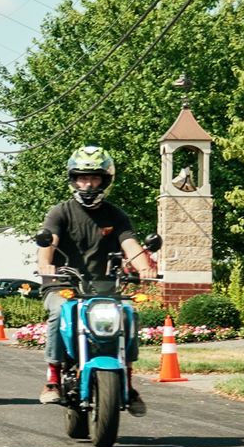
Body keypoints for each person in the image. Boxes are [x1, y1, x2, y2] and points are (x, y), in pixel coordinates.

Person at [35, 145, 157, 410]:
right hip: (63, 284)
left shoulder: (115, 214)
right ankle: (53, 377)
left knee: (128, 315)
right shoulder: (60, 212)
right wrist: (45, 264)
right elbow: (49, 242)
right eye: (82, 178)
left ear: (105, 180)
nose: (88, 184)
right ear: (73, 179)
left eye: (94, 178)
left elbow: (130, 244)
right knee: (59, 312)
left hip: (104, 287)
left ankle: (127, 380)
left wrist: (144, 266)